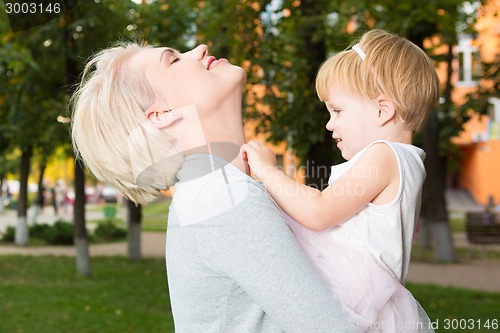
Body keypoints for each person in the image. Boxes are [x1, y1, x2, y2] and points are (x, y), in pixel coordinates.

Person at [71, 42, 359, 332]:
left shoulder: (210, 193)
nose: (200, 48)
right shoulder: (224, 200)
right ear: (161, 114)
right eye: (172, 60)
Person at [241, 29, 439, 332]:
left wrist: (269, 171)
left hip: (353, 298)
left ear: (382, 110)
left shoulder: (383, 156)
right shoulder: (406, 159)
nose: (330, 124)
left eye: (337, 110)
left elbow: (320, 213)